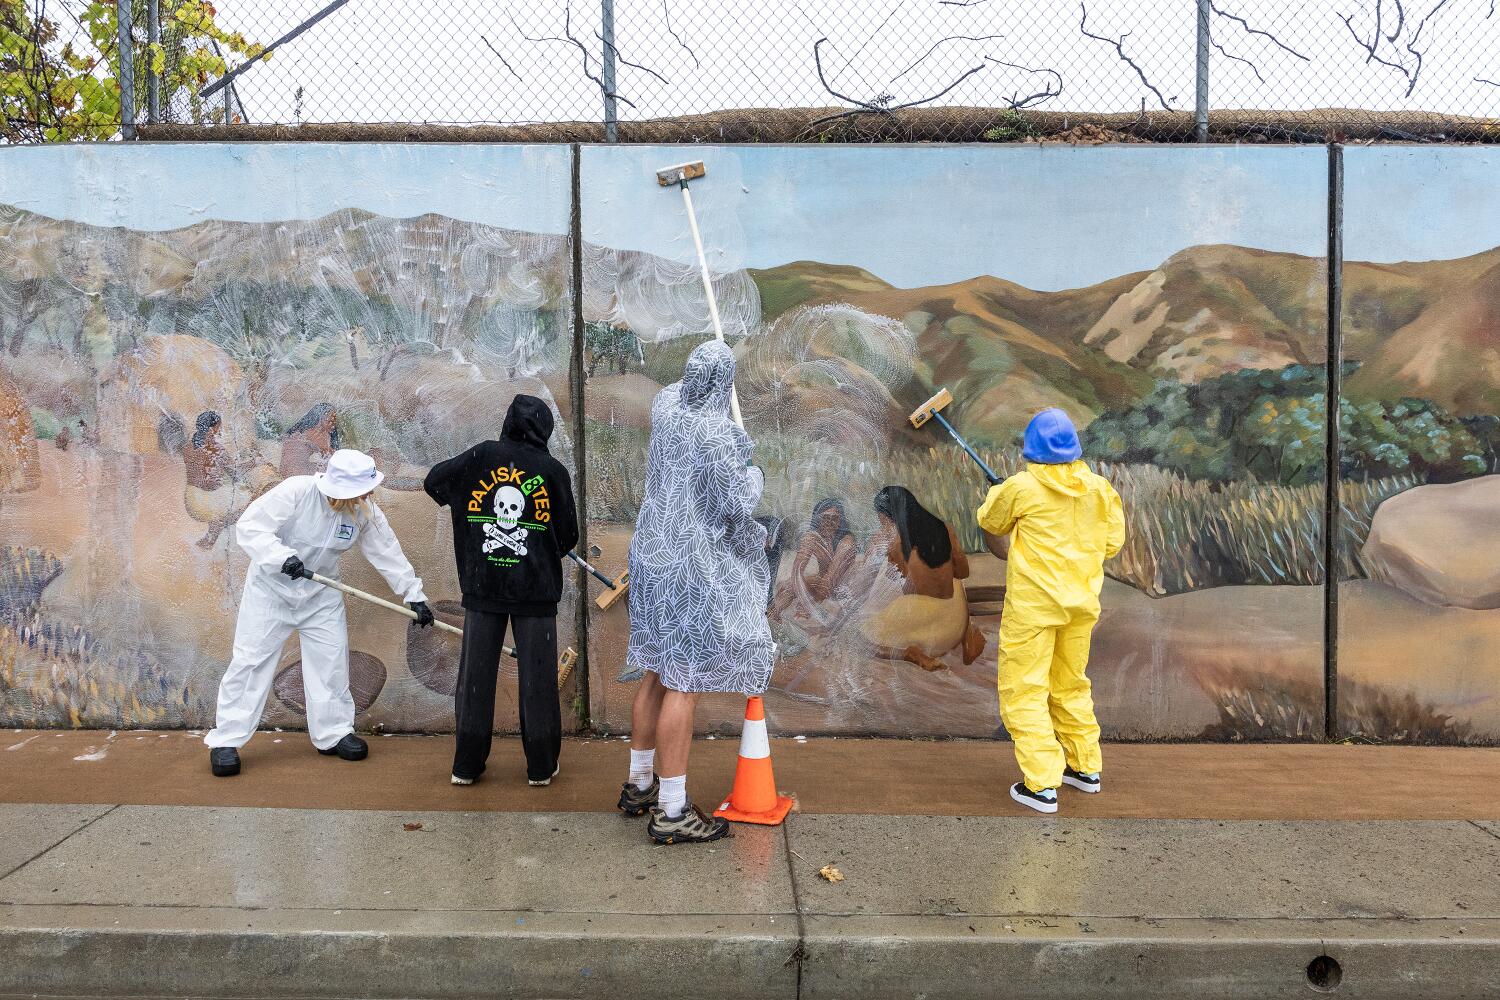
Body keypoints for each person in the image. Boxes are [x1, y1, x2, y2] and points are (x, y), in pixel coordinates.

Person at [618, 340, 774, 844]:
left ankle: (639, 784)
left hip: (649, 556)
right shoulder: (718, 435)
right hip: (690, 564)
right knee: (684, 680)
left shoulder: (666, 406)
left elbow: (685, 393)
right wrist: (754, 472)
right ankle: (672, 809)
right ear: (725, 383)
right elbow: (737, 503)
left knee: (656, 670)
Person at [203, 448, 435, 777]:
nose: (371, 493)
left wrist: (414, 596)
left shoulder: (364, 511)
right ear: (344, 488)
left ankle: (333, 734)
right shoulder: (296, 491)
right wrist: (281, 557)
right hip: (271, 592)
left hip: (321, 595)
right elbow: (251, 527)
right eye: (365, 488)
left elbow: (387, 551)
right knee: (251, 661)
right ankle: (226, 740)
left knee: (330, 663)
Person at [423, 394, 579, 788]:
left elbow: (434, 482)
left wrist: (471, 520)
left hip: (482, 587)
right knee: (539, 680)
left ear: (508, 421)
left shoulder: (479, 457)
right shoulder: (552, 471)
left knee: (475, 679)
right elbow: (568, 536)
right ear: (545, 429)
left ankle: (466, 767)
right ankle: (541, 767)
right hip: (536, 593)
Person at [976, 408, 1125, 815]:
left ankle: (1041, 785)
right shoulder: (1099, 488)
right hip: (1080, 606)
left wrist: (999, 491)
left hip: (1034, 610)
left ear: (1031, 448)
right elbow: (1112, 544)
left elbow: (990, 519)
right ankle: (1085, 767)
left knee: (1024, 689)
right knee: (1070, 684)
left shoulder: (1022, 487)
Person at [848, 486, 986, 672]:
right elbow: (963, 572)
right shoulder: (946, 529)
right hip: (956, 622)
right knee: (955, 581)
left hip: (929, 632)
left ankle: (910, 654)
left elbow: (906, 589)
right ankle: (968, 633)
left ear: (887, 515)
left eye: (881, 519)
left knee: (858, 638)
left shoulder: (894, 542)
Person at [770, 498, 859, 628]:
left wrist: (807, 601)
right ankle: (772, 617)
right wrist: (801, 592)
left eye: (833, 518)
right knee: (787, 586)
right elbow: (797, 571)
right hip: (822, 583)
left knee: (797, 589)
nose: (829, 522)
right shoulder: (812, 537)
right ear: (818, 519)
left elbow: (829, 580)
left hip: (842, 589)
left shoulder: (846, 542)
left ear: (840, 521)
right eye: (825, 518)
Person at [280, 403, 340, 477]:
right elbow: (332, 456)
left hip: (284, 470)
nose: (333, 423)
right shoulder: (317, 433)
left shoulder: (301, 430)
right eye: (331, 419)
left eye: (334, 419)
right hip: (297, 475)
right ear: (321, 418)